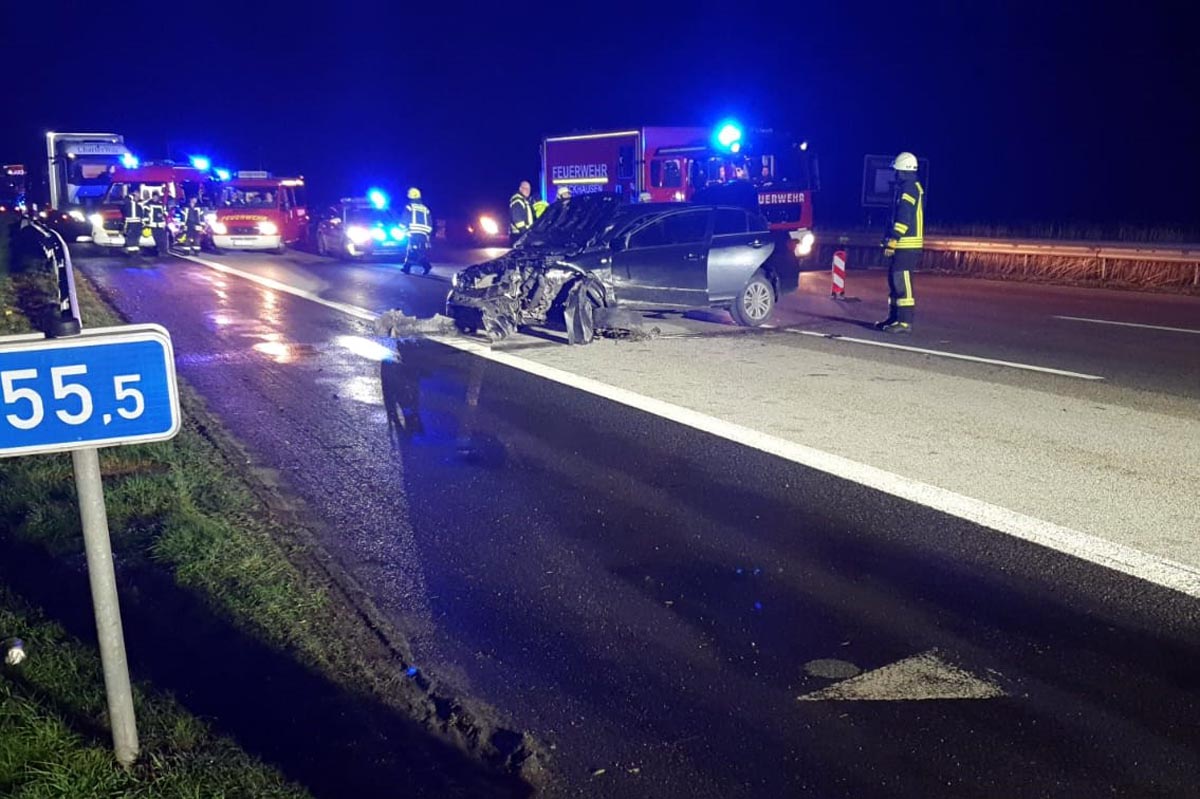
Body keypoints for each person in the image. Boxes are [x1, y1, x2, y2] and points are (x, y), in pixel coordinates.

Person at [875, 152, 924, 333]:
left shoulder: (909, 188)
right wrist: (889, 238)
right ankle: (894, 317)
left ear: (903, 171)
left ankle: (904, 322)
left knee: (901, 280)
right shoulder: (907, 187)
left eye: (896, 171)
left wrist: (894, 238)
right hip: (903, 243)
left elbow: (904, 216)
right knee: (894, 280)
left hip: (907, 244)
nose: (895, 174)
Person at [401, 187, 432, 274]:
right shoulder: (425, 208)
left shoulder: (409, 207)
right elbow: (430, 221)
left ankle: (425, 265)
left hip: (413, 232)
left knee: (413, 250)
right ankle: (407, 267)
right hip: (423, 233)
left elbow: (404, 219)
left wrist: (403, 229)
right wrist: (428, 234)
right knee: (418, 250)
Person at [121, 186, 143, 255]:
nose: (139, 196)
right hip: (130, 222)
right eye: (137, 194)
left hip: (138, 223)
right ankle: (131, 251)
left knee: (137, 236)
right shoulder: (129, 201)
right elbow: (126, 204)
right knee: (131, 236)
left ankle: (135, 250)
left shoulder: (139, 203)